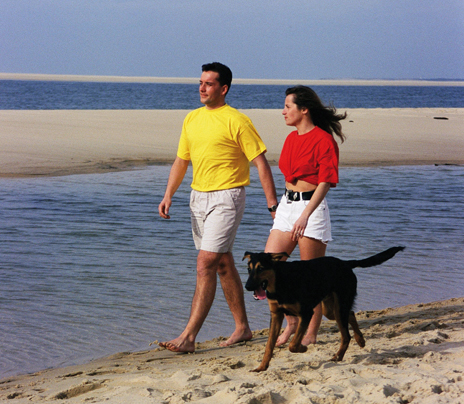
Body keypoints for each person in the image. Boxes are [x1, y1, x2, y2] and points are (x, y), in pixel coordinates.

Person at [158, 62, 278, 353]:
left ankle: (188, 337)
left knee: (205, 264)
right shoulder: (192, 118)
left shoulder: (237, 120)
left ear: (223, 89)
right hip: (197, 198)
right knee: (222, 263)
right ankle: (243, 328)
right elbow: (182, 161)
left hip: (227, 198)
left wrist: (273, 204)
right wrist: (168, 194)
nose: (202, 88)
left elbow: (261, 163)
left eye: (209, 83)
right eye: (200, 82)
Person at [264, 85, 346, 347]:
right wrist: (279, 209)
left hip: (311, 209)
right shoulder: (291, 138)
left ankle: (310, 333)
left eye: (287, 106)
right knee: (269, 269)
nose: (283, 111)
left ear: (304, 109)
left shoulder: (323, 140)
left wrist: (305, 216)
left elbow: (325, 182)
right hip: (287, 207)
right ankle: (291, 322)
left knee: (311, 278)